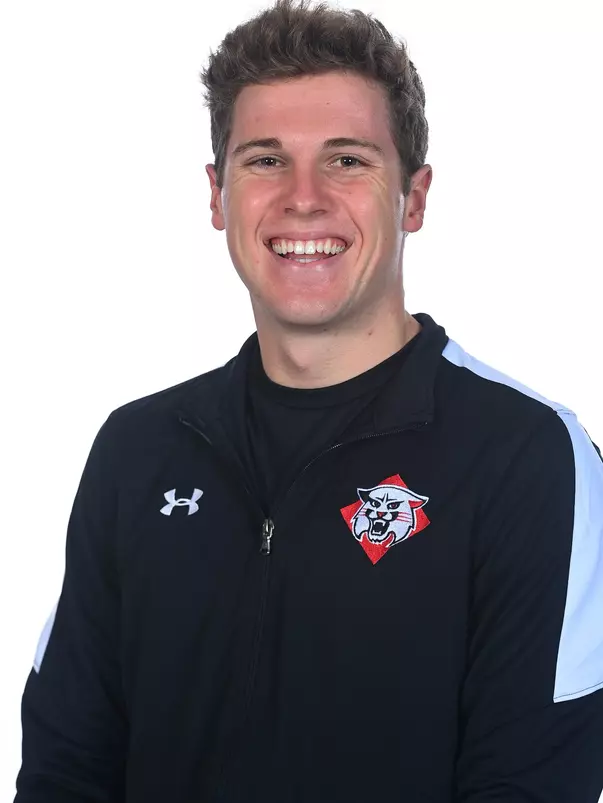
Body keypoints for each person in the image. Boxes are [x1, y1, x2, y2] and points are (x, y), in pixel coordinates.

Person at [14, 0, 603, 801]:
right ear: (218, 195)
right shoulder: (139, 448)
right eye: (264, 160)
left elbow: (530, 781)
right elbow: (66, 767)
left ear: (415, 198)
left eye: (347, 161)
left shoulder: (526, 457)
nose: (303, 198)